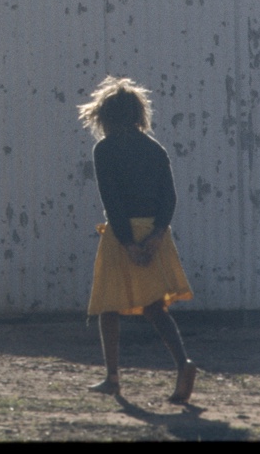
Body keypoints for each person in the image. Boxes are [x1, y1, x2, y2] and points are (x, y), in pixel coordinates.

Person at [79, 75, 197, 404]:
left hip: (122, 233)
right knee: (156, 308)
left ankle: (112, 378)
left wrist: (128, 242)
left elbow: (112, 200)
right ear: (137, 113)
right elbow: (169, 198)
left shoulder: (104, 149)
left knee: (107, 307)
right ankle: (183, 364)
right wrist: (157, 235)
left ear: (105, 116)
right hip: (155, 234)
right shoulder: (154, 149)